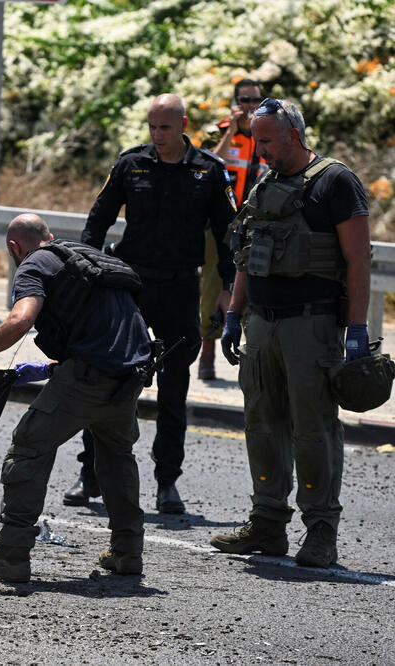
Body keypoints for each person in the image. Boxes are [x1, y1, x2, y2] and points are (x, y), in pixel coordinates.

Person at [211, 98, 371, 568]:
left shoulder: (336, 182)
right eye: (255, 139)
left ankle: (321, 531)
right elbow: (248, 256)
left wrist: (358, 329)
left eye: (264, 140)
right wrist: (235, 315)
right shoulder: (265, 183)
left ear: (293, 136)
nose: (257, 148)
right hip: (263, 324)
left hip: (312, 324)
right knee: (261, 426)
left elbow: (360, 259)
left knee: (313, 430)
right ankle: (267, 524)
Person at [0, 214, 152, 582]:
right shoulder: (83, 255)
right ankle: (127, 552)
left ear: (14, 247)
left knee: (29, 447)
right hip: (128, 376)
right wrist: (49, 368)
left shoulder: (33, 263)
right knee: (116, 455)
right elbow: (98, 322)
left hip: (87, 377)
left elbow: (21, 319)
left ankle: (11, 554)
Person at [76, 93, 238, 514]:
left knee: (173, 388)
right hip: (130, 285)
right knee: (107, 378)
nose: (157, 135)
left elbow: (228, 237)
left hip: (180, 289)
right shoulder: (132, 164)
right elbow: (97, 221)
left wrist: (228, 288)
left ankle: (168, 482)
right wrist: (91, 273)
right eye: (152, 126)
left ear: (183, 125)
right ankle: (89, 474)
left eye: (165, 127)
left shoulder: (209, 171)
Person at [197, 79, 267, 380]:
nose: (250, 106)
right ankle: (207, 357)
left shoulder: (269, 133)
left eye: (255, 100)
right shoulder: (218, 130)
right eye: (244, 100)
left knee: (256, 290)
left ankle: (255, 363)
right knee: (212, 290)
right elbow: (210, 165)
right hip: (219, 224)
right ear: (234, 102)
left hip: (258, 224)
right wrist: (231, 131)